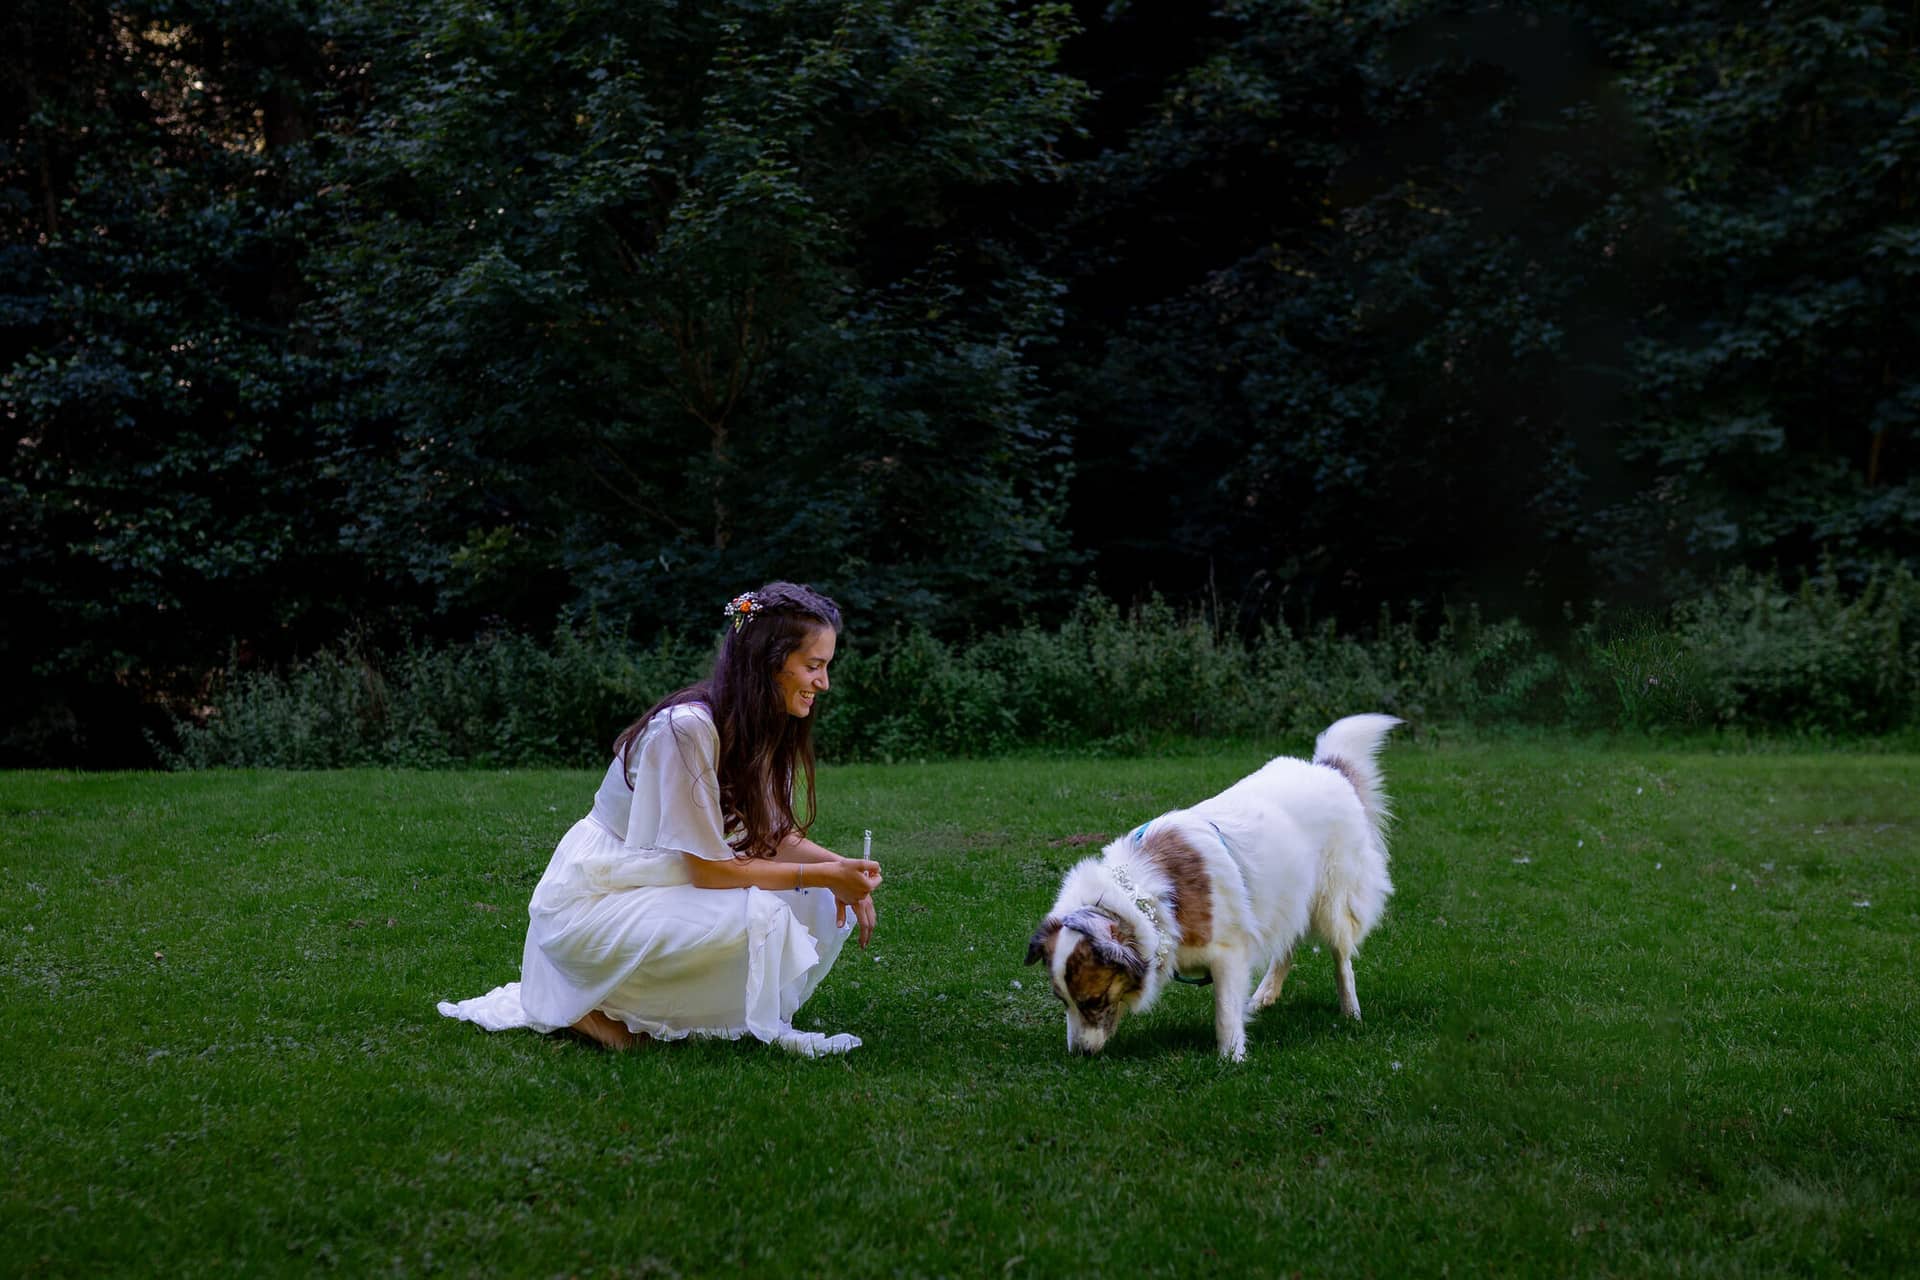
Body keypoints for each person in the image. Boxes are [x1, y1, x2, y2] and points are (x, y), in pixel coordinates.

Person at [437, 582, 882, 1056]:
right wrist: (821, 874)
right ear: (767, 662)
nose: (824, 683)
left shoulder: (764, 724)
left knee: (813, 895)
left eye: (825, 667)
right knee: (763, 913)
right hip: (600, 896)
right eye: (813, 667)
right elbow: (709, 871)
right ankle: (586, 1002)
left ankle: (672, 1010)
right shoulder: (687, 728)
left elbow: (771, 834)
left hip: (664, 881)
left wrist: (841, 871)